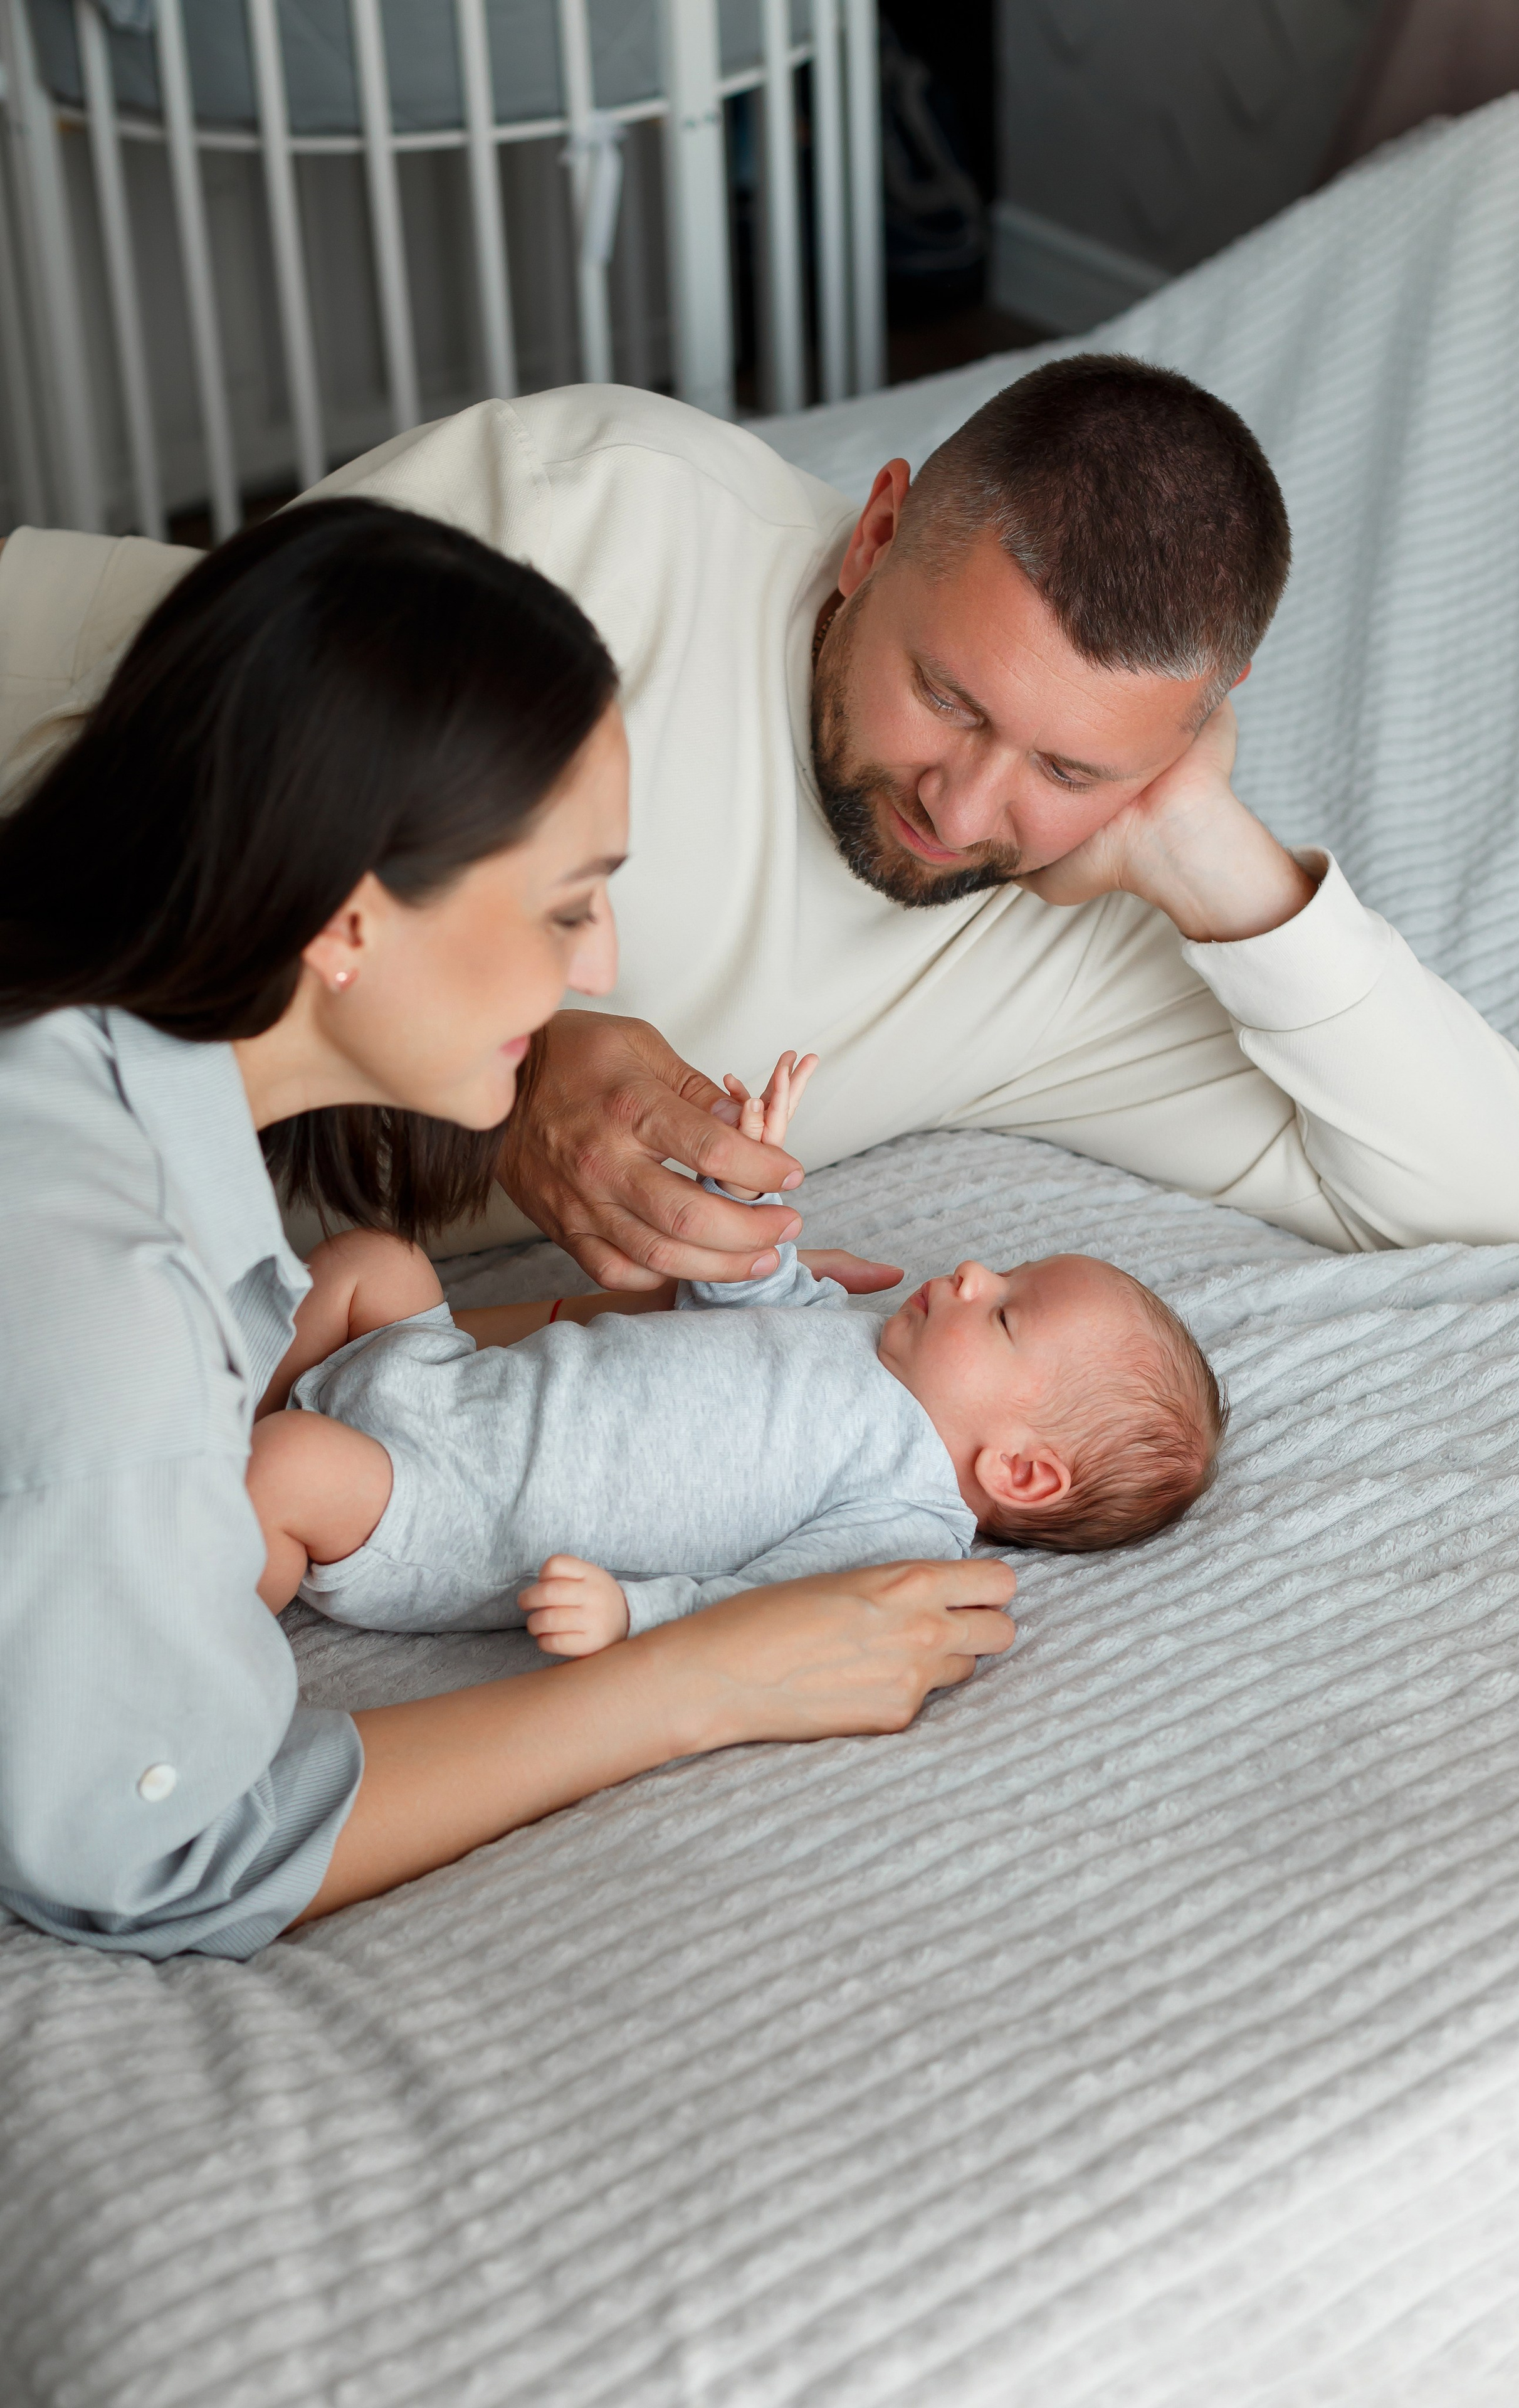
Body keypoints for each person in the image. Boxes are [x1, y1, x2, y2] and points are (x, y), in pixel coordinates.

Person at [0, 500, 1016, 1961]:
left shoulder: (91, 1076)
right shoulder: (104, 1297)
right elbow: (165, 1850)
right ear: (347, 923)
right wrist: (700, 1680)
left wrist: (612, 1348)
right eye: (566, 907)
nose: (603, 964)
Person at [0, 354, 1519, 1288]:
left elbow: (1498, 1198)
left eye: (1071, 769)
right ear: (875, 532)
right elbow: (191, 838)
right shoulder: (592, 515)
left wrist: (1211, 857)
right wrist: (543, 1055)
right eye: (948, 699)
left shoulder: (1075, 917)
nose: (966, 810)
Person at [246, 1050, 1224, 1652]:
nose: (972, 1271)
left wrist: (636, 1616)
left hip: (448, 1503)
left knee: (285, 1471)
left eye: (1005, 1314)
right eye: (1004, 1270)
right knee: (376, 1260)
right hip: (454, 1387)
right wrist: (750, 1199)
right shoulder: (859, 1333)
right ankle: (210, 1404)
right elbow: (744, 1290)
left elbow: (766, 1608)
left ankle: (189, 1622)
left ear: (1019, 1469)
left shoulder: (901, 1508)